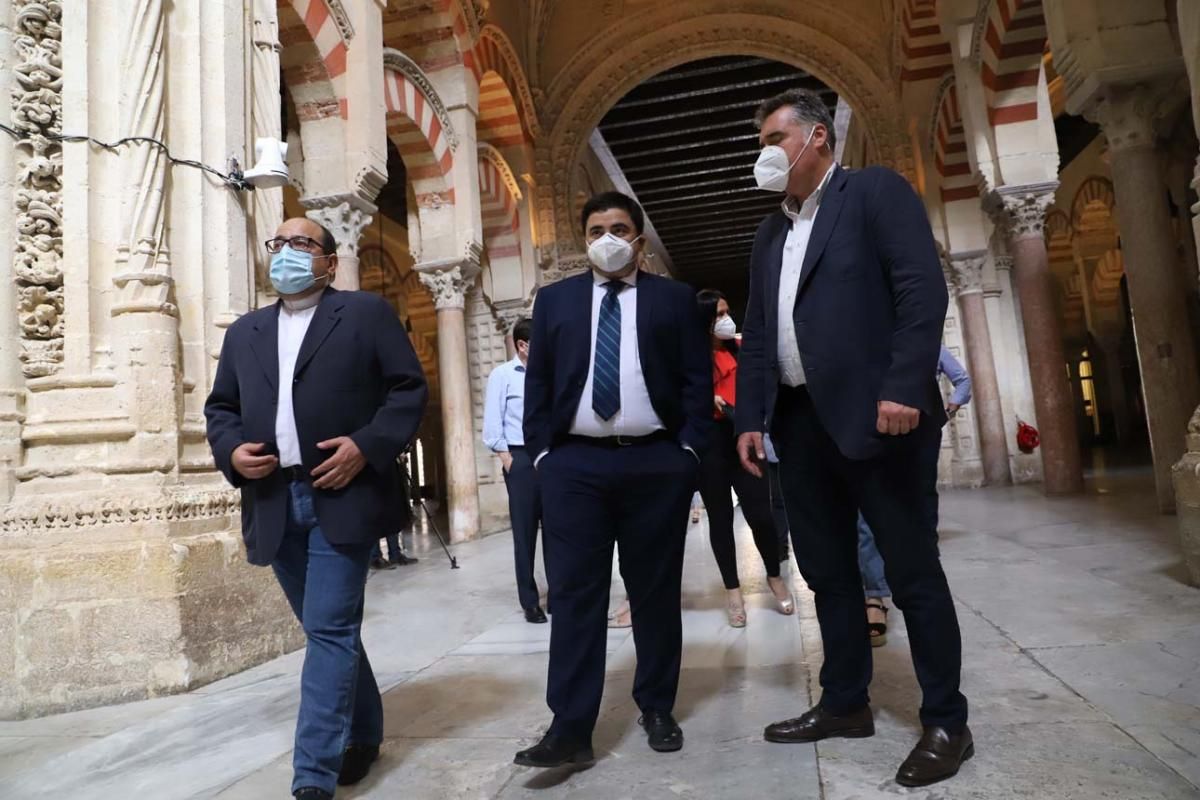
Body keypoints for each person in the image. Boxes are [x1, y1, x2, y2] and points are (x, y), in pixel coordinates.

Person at [735, 89, 972, 788]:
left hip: (880, 417)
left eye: (775, 136)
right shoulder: (768, 233)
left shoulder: (872, 194)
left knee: (910, 571)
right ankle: (845, 702)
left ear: (817, 140)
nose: (765, 152)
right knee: (828, 574)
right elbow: (756, 339)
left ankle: (947, 721)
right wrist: (752, 417)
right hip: (800, 426)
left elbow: (919, 290)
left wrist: (903, 386)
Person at [204, 217, 427, 800]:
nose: (287, 253)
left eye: (302, 243)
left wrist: (367, 445)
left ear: (330, 261)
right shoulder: (245, 332)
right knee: (329, 628)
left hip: (342, 493)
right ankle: (365, 732)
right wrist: (231, 451)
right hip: (275, 500)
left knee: (328, 629)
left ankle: (312, 777)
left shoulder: (364, 314)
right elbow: (220, 408)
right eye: (279, 244)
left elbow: (407, 389)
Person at [516, 191, 710, 767]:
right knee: (576, 594)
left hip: (655, 462)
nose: (607, 237)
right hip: (574, 465)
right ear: (585, 240)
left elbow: (697, 383)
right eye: (597, 228)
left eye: (619, 228)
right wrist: (545, 457)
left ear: (638, 240)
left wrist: (689, 454)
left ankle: (656, 705)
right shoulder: (554, 301)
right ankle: (571, 727)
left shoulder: (674, 301)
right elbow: (540, 387)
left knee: (653, 591)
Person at [860, 344, 971, 645]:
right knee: (866, 517)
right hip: (873, 430)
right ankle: (875, 596)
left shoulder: (927, 341)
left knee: (922, 502)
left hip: (920, 431)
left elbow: (963, 380)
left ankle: (924, 575)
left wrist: (949, 409)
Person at [695, 289, 792, 627]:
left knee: (761, 514)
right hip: (710, 444)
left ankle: (774, 575)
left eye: (726, 311)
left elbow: (758, 388)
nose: (726, 319)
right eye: (718, 315)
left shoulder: (739, 349)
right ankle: (733, 591)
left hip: (744, 439)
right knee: (720, 519)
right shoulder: (692, 360)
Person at [483, 317, 548, 623]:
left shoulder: (548, 373)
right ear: (522, 346)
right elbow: (492, 422)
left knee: (556, 530)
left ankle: (558, 595)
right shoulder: (503, 375)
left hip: (549, 457)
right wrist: (507, 458)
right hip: (520, 458)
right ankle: (530, 601)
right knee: (525, 534)